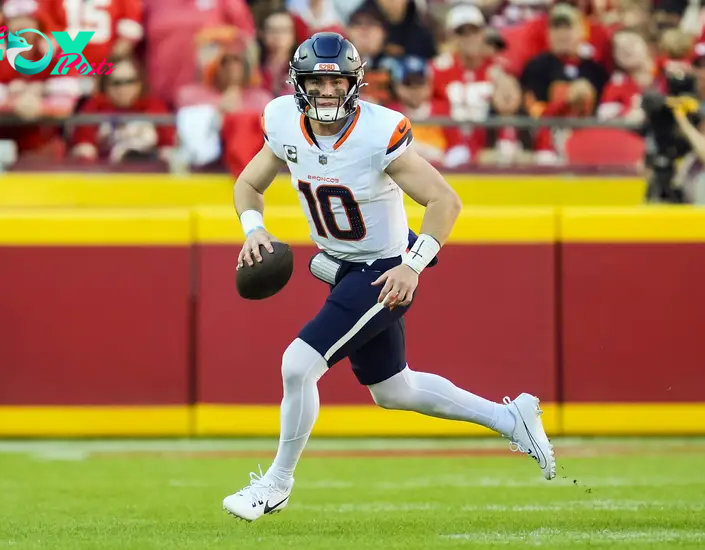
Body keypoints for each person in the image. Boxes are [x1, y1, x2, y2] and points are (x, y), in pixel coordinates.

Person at [223, 32, 556, 522]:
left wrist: (413, 265)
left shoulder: (379, 131)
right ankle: (511, 419)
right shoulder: (283, 122)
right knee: (393, 389)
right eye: (318, 81)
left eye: (337, 82)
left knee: (298, 365)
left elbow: (446, 201)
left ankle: (276, 483)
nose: (328, 92)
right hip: (342, 269)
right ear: (300, 84)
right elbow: (250, 183)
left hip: (383, 271)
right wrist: (253, 228)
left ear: (354, 83)